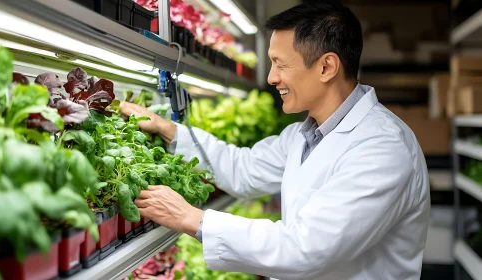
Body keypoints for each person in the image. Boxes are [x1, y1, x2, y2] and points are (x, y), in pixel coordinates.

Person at [120, 2, 430, 279]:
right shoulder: (305, 133)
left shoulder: (383, 148)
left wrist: (193, 219)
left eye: (280, 63)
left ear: (326, 67)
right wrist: (168, 130)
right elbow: (244, 169)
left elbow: (306, 248)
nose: (271, 77)